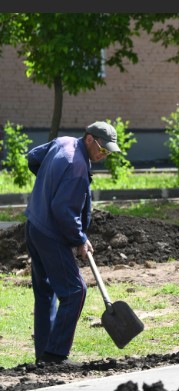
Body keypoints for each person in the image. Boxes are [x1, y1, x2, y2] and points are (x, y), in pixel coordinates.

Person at [24, 121, 121, 364]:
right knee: (75, 291)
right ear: (89, 138)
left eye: (108, 151)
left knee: (46, 292)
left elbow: (34, 158)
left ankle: (43, 356)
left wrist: (49, 184)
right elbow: (63, 211)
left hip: (34, 225)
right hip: (51, 233)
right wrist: (79, 239)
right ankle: (55, 354)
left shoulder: (63, 142)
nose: (103, 154)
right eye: (102, 148)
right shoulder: (77, 168)